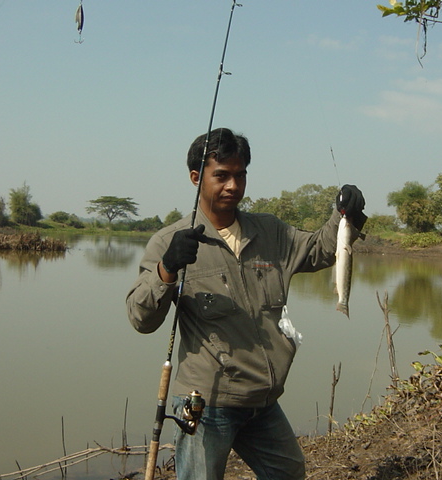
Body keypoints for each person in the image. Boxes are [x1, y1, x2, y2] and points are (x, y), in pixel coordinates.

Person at [126, 127, 366, 480]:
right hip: (206, 403)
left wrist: (347, 216)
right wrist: (167, 268)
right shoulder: (169, 241)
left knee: (290, 472)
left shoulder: (270, 231)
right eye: (221, 176)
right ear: (196, 178)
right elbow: (140, 318)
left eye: (240, 175)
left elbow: (322, 249)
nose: (232, 186)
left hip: (262, 402)